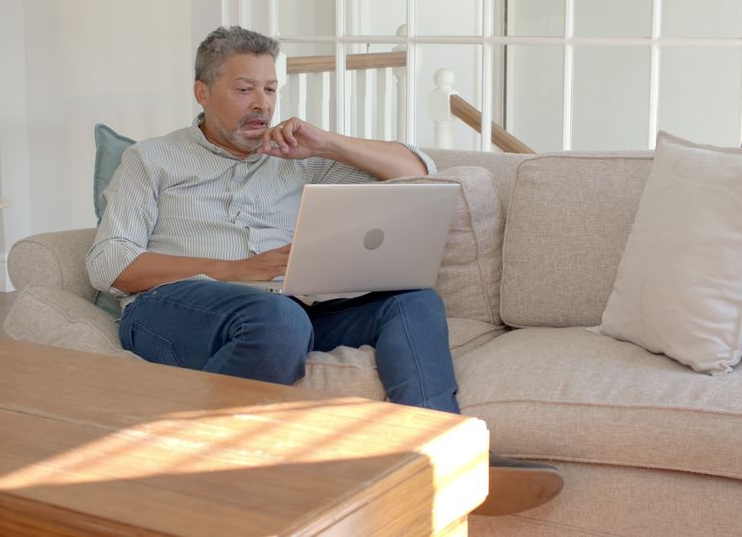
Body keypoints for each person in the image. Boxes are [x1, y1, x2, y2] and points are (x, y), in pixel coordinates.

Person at [87, 26, 562, 515]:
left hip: (288, 307)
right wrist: (239, 268)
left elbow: (418, 171)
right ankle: (194, 460)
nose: (261, 104)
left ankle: (437, 457)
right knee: (277, 321)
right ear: (202, 93)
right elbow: (109, 262)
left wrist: (326, 143)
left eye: (270, 90)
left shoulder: (298, 161)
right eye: (244, 89)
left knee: (412, 299)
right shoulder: (149, 159)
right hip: (172, 306)